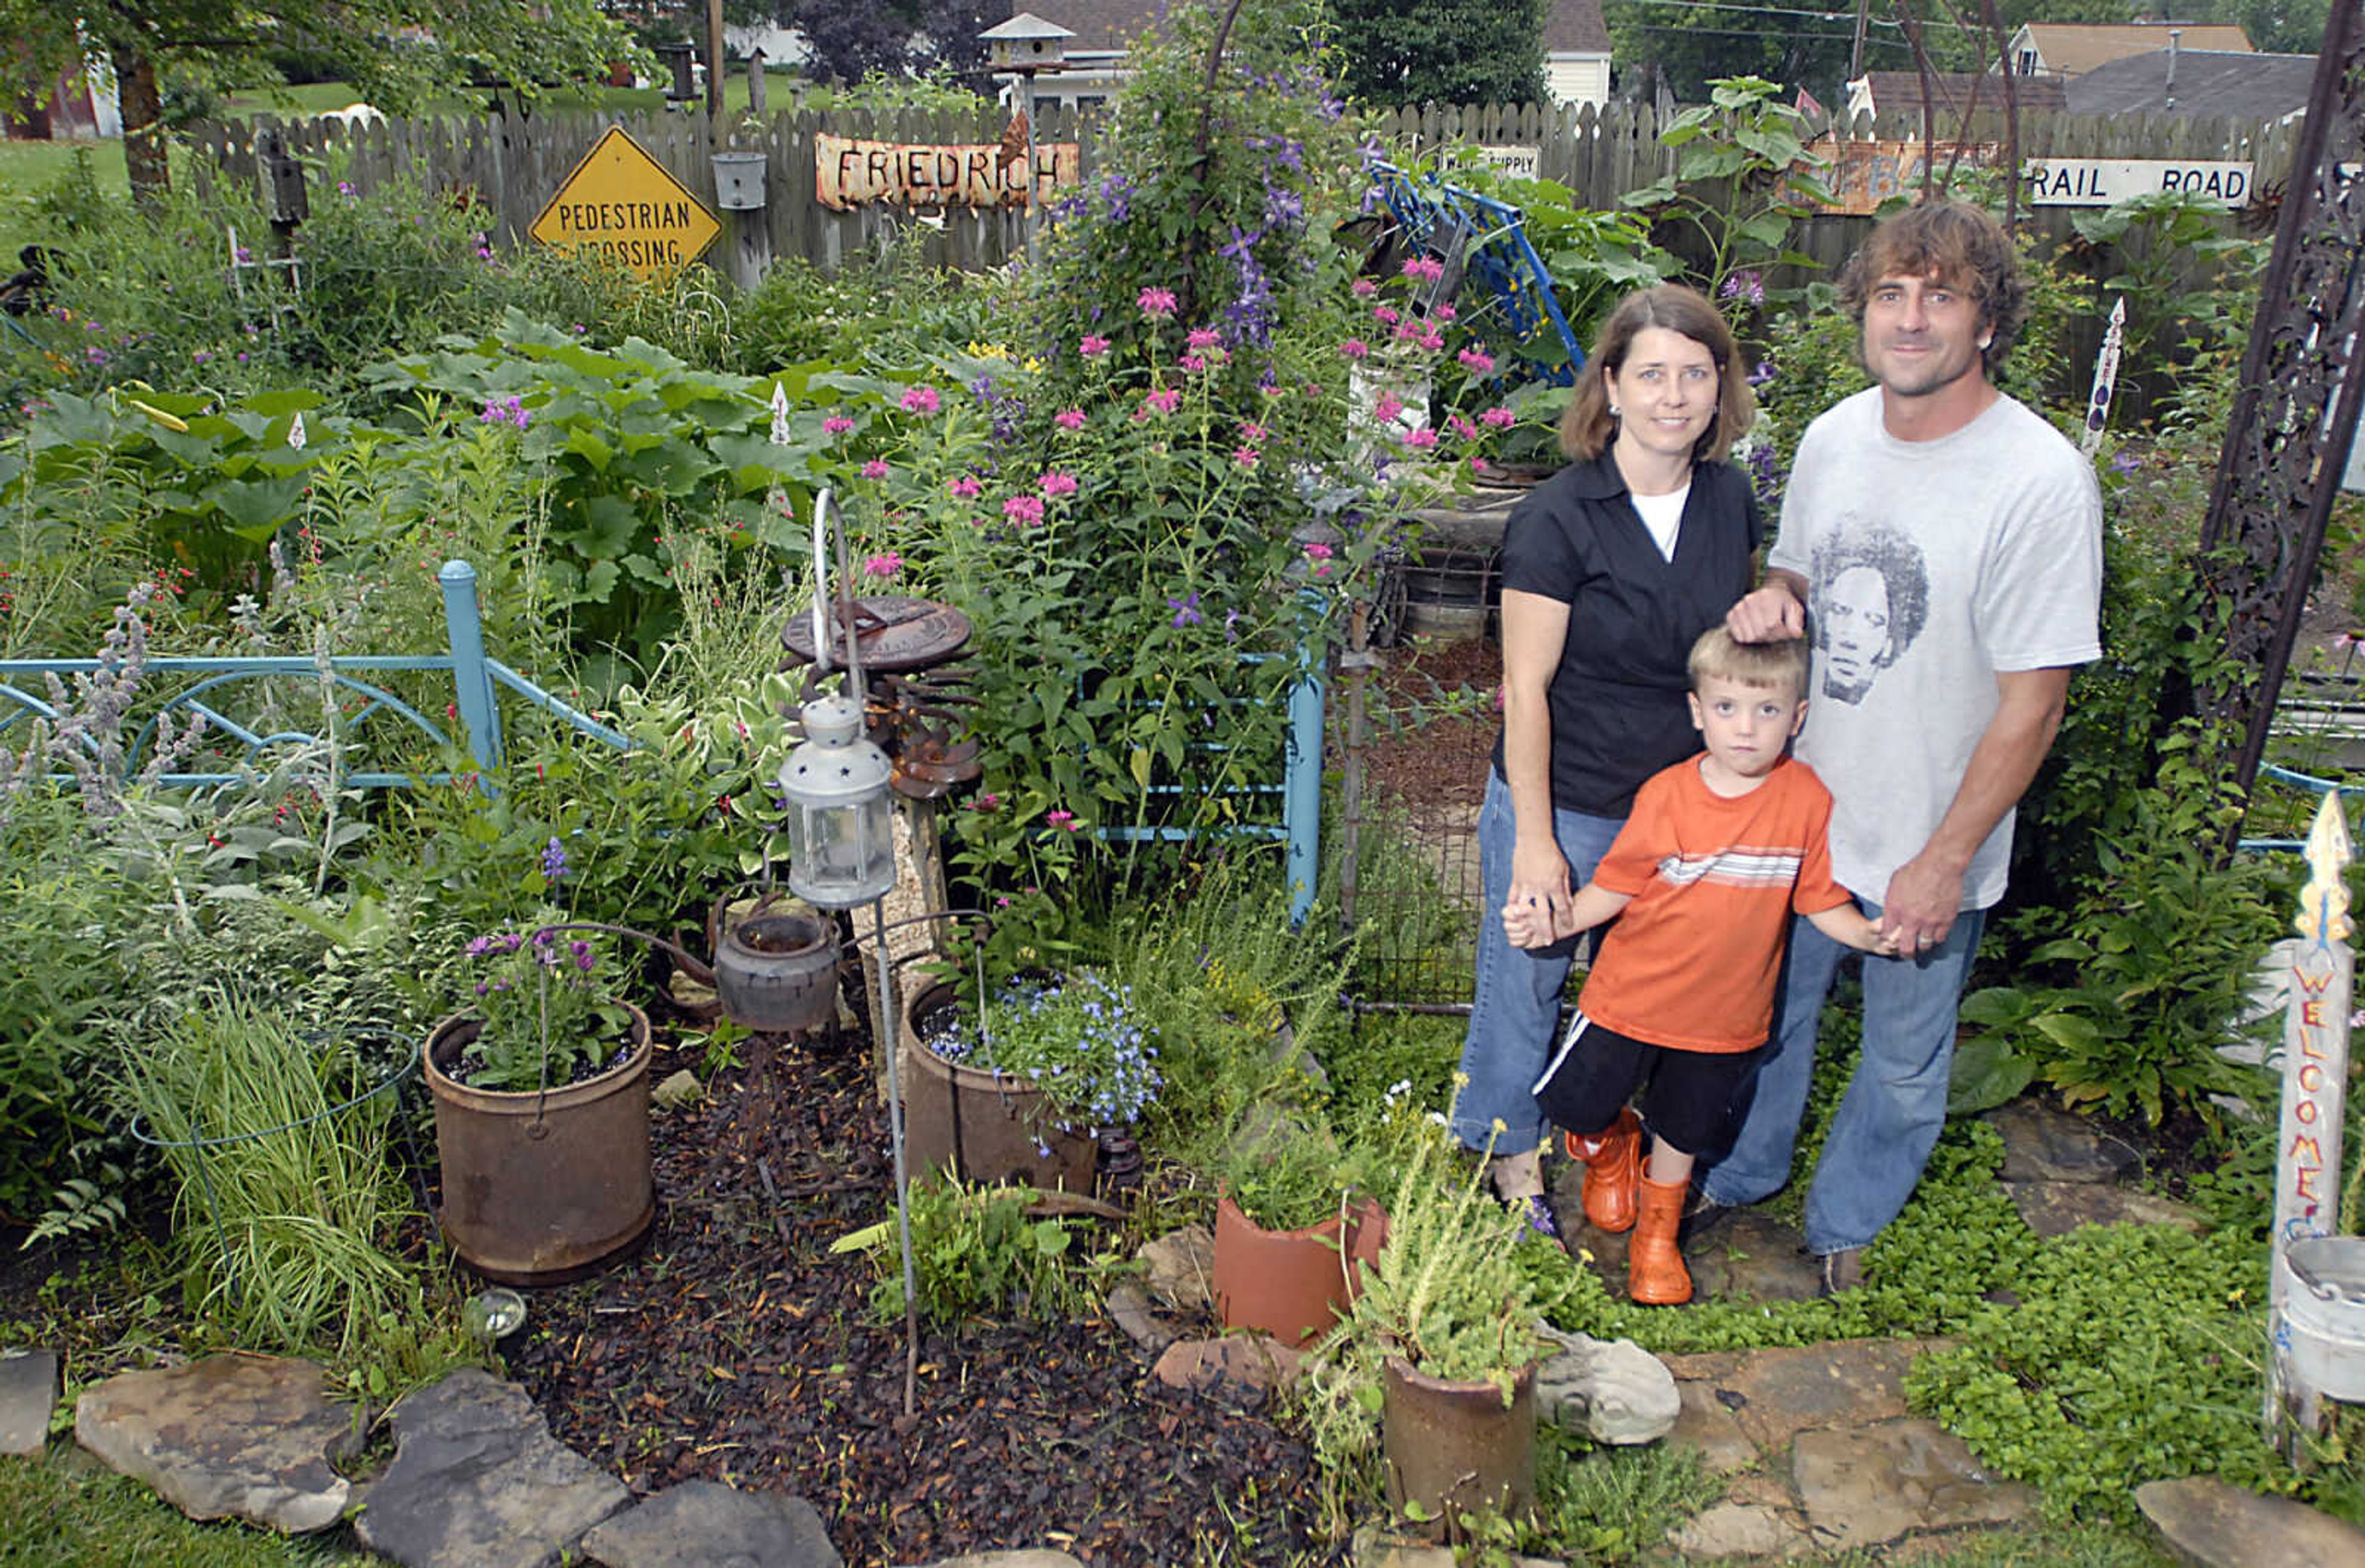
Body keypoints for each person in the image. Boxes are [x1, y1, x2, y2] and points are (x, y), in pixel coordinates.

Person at [1696, 199, 2104, 1294]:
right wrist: (1772, 605)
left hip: (1929, 835)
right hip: (1804, 819)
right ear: (1863, 310)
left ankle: (1845, 1225)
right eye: (1890, 293)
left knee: (1905, 1066)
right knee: (1761, 1020)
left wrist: (1941, 859)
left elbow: (2036, 704)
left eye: (1942, 295)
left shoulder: (2039, 479)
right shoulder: (1832, 438)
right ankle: (1739, 1176)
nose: (1911, 319)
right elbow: (1794, 576)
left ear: (1987, 322)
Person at [1453, 283, 1764, 1232]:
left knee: (1661, 989)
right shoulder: (1558, 518)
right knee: (1530, 977)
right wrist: (1540, 841)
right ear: (1613, 389)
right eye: (1653, 374)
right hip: (1574, 796)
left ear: (1721, 392)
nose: (1675, 395)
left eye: (1696, 374)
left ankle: (1619, 1139)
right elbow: (1527, 690)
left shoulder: (1731, 501)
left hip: (1685, 807)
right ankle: (1506, 1155)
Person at [1505, 629, 1891, 1304]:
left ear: (1797, 718)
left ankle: (1657, 1239)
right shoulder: (1667, 795)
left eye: (1767, 711)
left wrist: (1869, 933)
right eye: (1727, 709)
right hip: (1630, 997)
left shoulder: (1806, 800)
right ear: (1697, 711)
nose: (1746, 729)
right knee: (1581, 1105)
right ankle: (1612, 1144)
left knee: (1683, 1129)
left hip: (1724, 1017)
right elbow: (1615, 887)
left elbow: (1821, 898)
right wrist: (1555, 920)